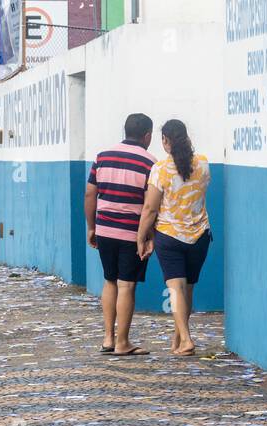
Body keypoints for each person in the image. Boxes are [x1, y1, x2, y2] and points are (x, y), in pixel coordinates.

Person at [137, 119, 212, 356]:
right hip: (199, 235)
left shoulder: (160, 169)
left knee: (175, 290)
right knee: (187, 289)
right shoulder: (203, 164)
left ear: (165, 141)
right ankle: (178, 339)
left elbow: (149, 209)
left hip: (169, 236)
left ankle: (187, 339)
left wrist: (141, 237)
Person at [85, 113, 156, 355]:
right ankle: (123, 342)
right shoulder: (150, 164)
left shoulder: (102, 157)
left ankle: (107, 338)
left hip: (105, 228)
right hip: (131, 232)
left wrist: (91, 226)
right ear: (147, 135)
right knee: (127, 286)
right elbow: (149, 206)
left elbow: (89, 194)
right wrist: (147, 236)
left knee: (109, 281)